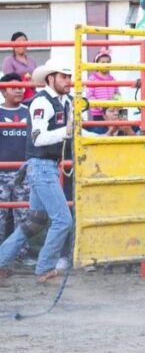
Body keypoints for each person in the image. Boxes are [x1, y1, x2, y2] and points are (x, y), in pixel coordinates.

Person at [0, 57, 74, 284]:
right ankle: (44, 267)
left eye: (69, 76)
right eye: (64, 76)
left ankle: (2, 262)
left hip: (43, 166)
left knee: (35, 221)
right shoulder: (42, 103)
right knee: (62, 220)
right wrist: (67, 131)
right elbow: (39, 138)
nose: (68, 81)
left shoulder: (61, 101)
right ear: (51, 78)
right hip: (43, 166)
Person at [0, 73, 34, 265]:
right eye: (14, 87)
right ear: (3, 91)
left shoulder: (28, 111)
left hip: (24, 172)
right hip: (1, 173)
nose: (20, 90)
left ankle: (22, 255)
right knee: (0, 216)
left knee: (23, 214)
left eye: (21, 87)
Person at [85, 48, 118, 134]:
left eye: (108, 62)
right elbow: (90, 96)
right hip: (98, 114)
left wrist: (116, 107)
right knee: (99, 132)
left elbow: (117, 94)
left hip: (112, 113)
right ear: (97, 64)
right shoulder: (92, 79)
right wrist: (102, 106)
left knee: (117, 130)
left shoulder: (113, 79)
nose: (105, 65)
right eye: (102, 62)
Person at [2, 32, 37, 102]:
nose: (22, 44)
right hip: (17, 95)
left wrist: (32, 81)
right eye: (19, 41)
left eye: (24, 41)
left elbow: (35, 78)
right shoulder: (9, 60)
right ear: (13, 44)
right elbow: (9, 80)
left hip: (33, 95)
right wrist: (25, 80)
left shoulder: (32, 60)